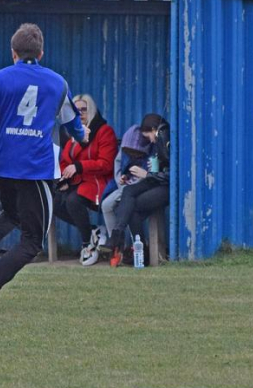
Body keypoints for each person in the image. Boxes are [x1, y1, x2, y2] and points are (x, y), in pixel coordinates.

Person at [0, 23, 89, 310]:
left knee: (11, 214)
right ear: (41, 52)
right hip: (37, 170)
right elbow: (73, 125)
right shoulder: (58, 83)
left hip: (4, 166)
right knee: (32, 241)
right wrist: (82, 136)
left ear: (13, 52)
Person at [52, 94, 117, 266]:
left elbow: (106, 164)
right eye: (76, 110)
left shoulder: (104, 131)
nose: (80, 113)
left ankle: (87, 243)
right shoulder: (73, 132)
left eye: (84, 110)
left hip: (99, 182)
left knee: (73, 200)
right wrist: (64, 179)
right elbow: (65, 160)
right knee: (54, 200)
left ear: (92, 111)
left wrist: (79, 166)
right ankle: (93, 231)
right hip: (78, 181)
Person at [106, 113, 170, 267]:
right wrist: (128, 175)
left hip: (165, 186)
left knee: (131, 206)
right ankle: (118, 234)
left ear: (154, 129)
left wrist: (147, 174)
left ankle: (140, 252)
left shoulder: (164, 138)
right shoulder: (159, 139)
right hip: (154, 180)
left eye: (148, 135)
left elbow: (171, 174)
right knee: (128, 191)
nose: (148, 139)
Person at [98, 124, 152, 256]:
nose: (131, 154)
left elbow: (150, 177)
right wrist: (121, 178)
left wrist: (141, 176)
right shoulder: (124, 151)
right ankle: (115, 244)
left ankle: (133, 248)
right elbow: (118, 166)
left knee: (128, 209)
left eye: (135, 152)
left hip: (140, 189)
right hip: (124, 186)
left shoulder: (150, 157)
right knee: (106, 204)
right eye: (129, 152)